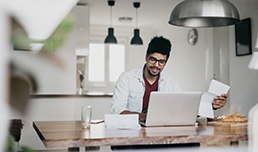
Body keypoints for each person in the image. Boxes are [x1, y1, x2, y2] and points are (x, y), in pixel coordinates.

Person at [110, 36, 228, 122]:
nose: (156, 65)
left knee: (191, 144)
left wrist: (210, 105)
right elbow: (117, 110)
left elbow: (184, 109)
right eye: (153, 60)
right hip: (133, 130)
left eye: (161, 62)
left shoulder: (171, 83)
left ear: (166, 62)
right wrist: (143, 116)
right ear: (146, 57)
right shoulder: (127, 78)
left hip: (160, 130)